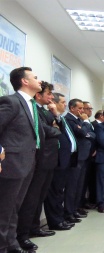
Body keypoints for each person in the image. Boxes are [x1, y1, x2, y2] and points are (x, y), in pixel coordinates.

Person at [0, 67, 43, 253]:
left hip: (27, 163)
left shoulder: (32, 104)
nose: (39, 80)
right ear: (24, 81)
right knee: (4, 209)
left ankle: (11, 244)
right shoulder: (11, 101)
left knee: (14, 207)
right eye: (35, 77)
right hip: (11, 163)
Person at [16, 82, 61, 251]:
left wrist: (55, 119)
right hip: (38, 160)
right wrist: (54, 128)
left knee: (39, 197)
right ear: (38, 95)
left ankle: (34, 228)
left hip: (49, 160)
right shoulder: (33, 110)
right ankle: (23, 235)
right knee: (30, 199)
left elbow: (59, 128)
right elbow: (45, 131)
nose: (51, 98)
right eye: (49, 94)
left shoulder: (45, 111)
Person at [44, 93, 77, 231]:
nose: (65, 105)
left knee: (59, 192)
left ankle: (60, 218)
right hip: (56, 160)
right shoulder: (49, 116)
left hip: (66, 160)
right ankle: (55, 221)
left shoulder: (60, 118)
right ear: (54, 102)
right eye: (63, 102)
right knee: (54, 192)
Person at [64, 99, 95, 223]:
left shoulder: (78, 120)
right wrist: (86, 122)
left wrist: (85, 130)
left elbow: (92, 135)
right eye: (80, 108)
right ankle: (69, 212)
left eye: (83, 108)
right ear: (72, 108)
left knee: (79, 186)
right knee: (72, 186)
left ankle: (75, 209)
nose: (83, 111)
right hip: (76, 158)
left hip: (84, 157)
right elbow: (82, 133)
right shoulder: (69, 119)